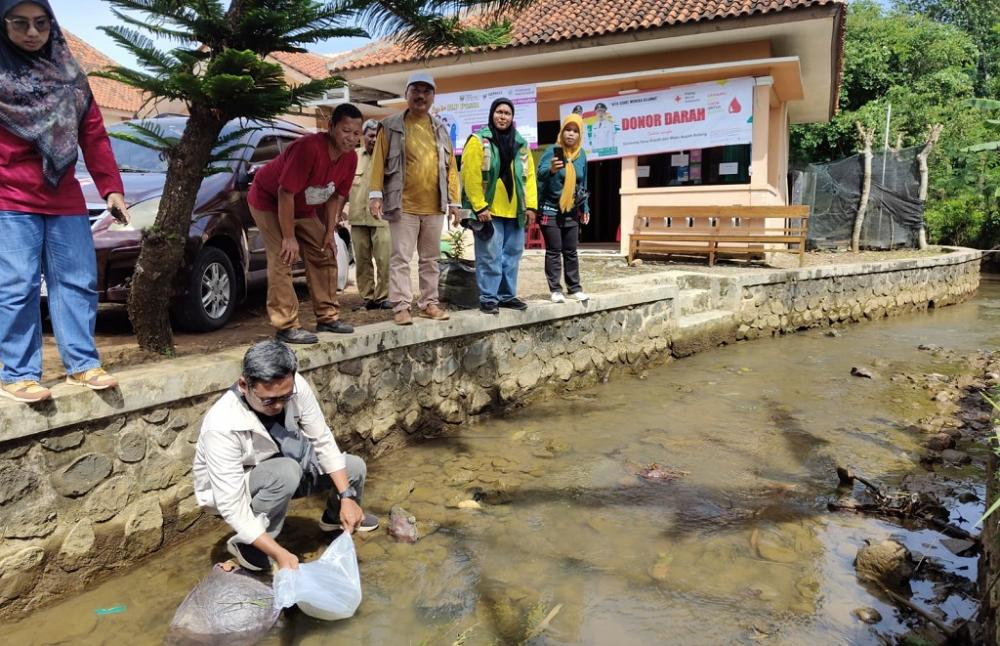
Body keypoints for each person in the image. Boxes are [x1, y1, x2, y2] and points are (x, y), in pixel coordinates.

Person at [0, 0, 129, 403]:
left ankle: (82, 365)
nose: (32, 32)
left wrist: (111, 187)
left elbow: (93, 135)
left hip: (64, 195)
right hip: (9, 196)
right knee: (17, 285)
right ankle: (18, 373)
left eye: (40, 23)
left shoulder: (71, 75)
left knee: (78, 280)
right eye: (20, 23)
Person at [192, 339, 379, 572]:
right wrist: (280, 553)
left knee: (353, 467)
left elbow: (322, 440)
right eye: (269, 400)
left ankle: (335, 520)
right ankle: (253, 545)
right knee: (284, 472)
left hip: (287, 464)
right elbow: (231, 505)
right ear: (244, 385)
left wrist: (347, 497)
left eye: (285, 397)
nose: (279, 406)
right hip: (242, 488)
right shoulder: (221, 425)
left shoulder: (294, 385)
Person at [248, 103, 363, 344]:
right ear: (331, 127)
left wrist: (329, 232)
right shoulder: (308, 148)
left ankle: (328, 317)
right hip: (269, 200)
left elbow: (336, 196)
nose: (351, 138)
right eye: (346, 131)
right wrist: (289, 237)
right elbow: (285, 193)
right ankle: (286, 325)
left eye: (356, 133)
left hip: (303, 206)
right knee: (283, 256)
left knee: (325, 250)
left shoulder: (350, 158)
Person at [368, 72, 461, 326]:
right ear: (406, 93)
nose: (421, 95)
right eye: (416, 90)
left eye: (426, 91)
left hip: (434, 206)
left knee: (430, 259)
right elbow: (378, 162)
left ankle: (429, 303)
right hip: (403, 205)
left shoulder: (440, 128)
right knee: (400, 258)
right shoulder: (390, 125)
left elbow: (451, 167)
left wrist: (454, 201)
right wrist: (375, 194)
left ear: (433, 96)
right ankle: (400, 306)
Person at [460, 98, 537, 315]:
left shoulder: (521, 145)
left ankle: (506, 295)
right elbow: (470, 175)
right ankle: (488, 298)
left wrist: (531, 206)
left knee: (512, 254)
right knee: (489, 255)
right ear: (492, 114)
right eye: (499, 112)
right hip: (489, 211)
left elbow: (529, 177)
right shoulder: (478, 141)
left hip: (516, 210)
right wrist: (480, 206)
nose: (503, 116)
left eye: (507, 113)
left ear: (512, 118)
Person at [536, 114, 590, 303]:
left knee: (570, 250)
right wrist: (550, 169)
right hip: (550, 209)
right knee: (554, 250)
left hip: (571, 210)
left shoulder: (581, 155)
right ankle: (555, 290)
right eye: (568, 129)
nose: (571, 134)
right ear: (562, 131)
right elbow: (539, 175)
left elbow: (583, 183)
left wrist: (585, 207)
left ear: (580, 135)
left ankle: (574, 288)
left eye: (575, 131)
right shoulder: (552, 150)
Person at [346, 119, 391, 311]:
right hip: (357, 217)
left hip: (382, 218)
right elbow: (343, 185)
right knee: (362, 260)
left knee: (385, 259)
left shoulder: (388, 157)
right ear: (363, 136)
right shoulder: (352, 157)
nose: (374, 139)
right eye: (370, 135)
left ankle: (384, 297)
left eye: (377, 135)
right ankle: (367, 297)